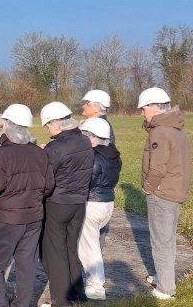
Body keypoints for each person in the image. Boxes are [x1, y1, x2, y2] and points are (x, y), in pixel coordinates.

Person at [0, 104, 54, 307]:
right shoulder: (40, 153)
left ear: (8, 125)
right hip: (33, 219)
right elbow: (49, 186)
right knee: (27, 265)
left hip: (6, 219)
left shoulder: (0, 154)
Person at [137, 87, 191, 300]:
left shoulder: (159, 132)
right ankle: (164, 278)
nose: (142, 113)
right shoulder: (177, 130)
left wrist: (149, 188)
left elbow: (157, 168)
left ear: (154, 107)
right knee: (168, 239)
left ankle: (165, 290)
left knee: (161, 241)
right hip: (175, 191)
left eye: (144, 109)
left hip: (162, 193)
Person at [39, 101, 94, 307]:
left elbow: (46, 179)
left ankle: (60, 302)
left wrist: (44, 153)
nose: (49, 130)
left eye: (48, 126)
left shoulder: (55, 148)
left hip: (57, 204)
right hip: (79, 203)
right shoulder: (85, 141)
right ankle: (78, 296)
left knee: (56, 253)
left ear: (56, 123)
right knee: (72, 248)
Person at [77, 118, 122, 301]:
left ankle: (96, 286)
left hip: (92, 204)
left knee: (89, 248)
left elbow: (85, 183)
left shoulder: (93, 158)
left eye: (85, 135)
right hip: (107, 203)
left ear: (93, 137)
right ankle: (91, 280)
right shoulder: (114, 156)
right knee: (93, 243)